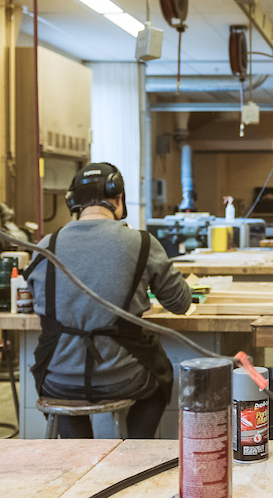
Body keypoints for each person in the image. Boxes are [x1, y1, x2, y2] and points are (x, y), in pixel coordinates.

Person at [25, 162, 192, 438]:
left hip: (56, 380)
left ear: (72, 202)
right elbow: (180, 304)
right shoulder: (141, 243)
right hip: (123, 378)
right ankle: (134, 454)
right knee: (161, 377)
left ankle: (79, 454)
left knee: (62, 392)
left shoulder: (44, 246)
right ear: (119, 199)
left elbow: (37, 299)